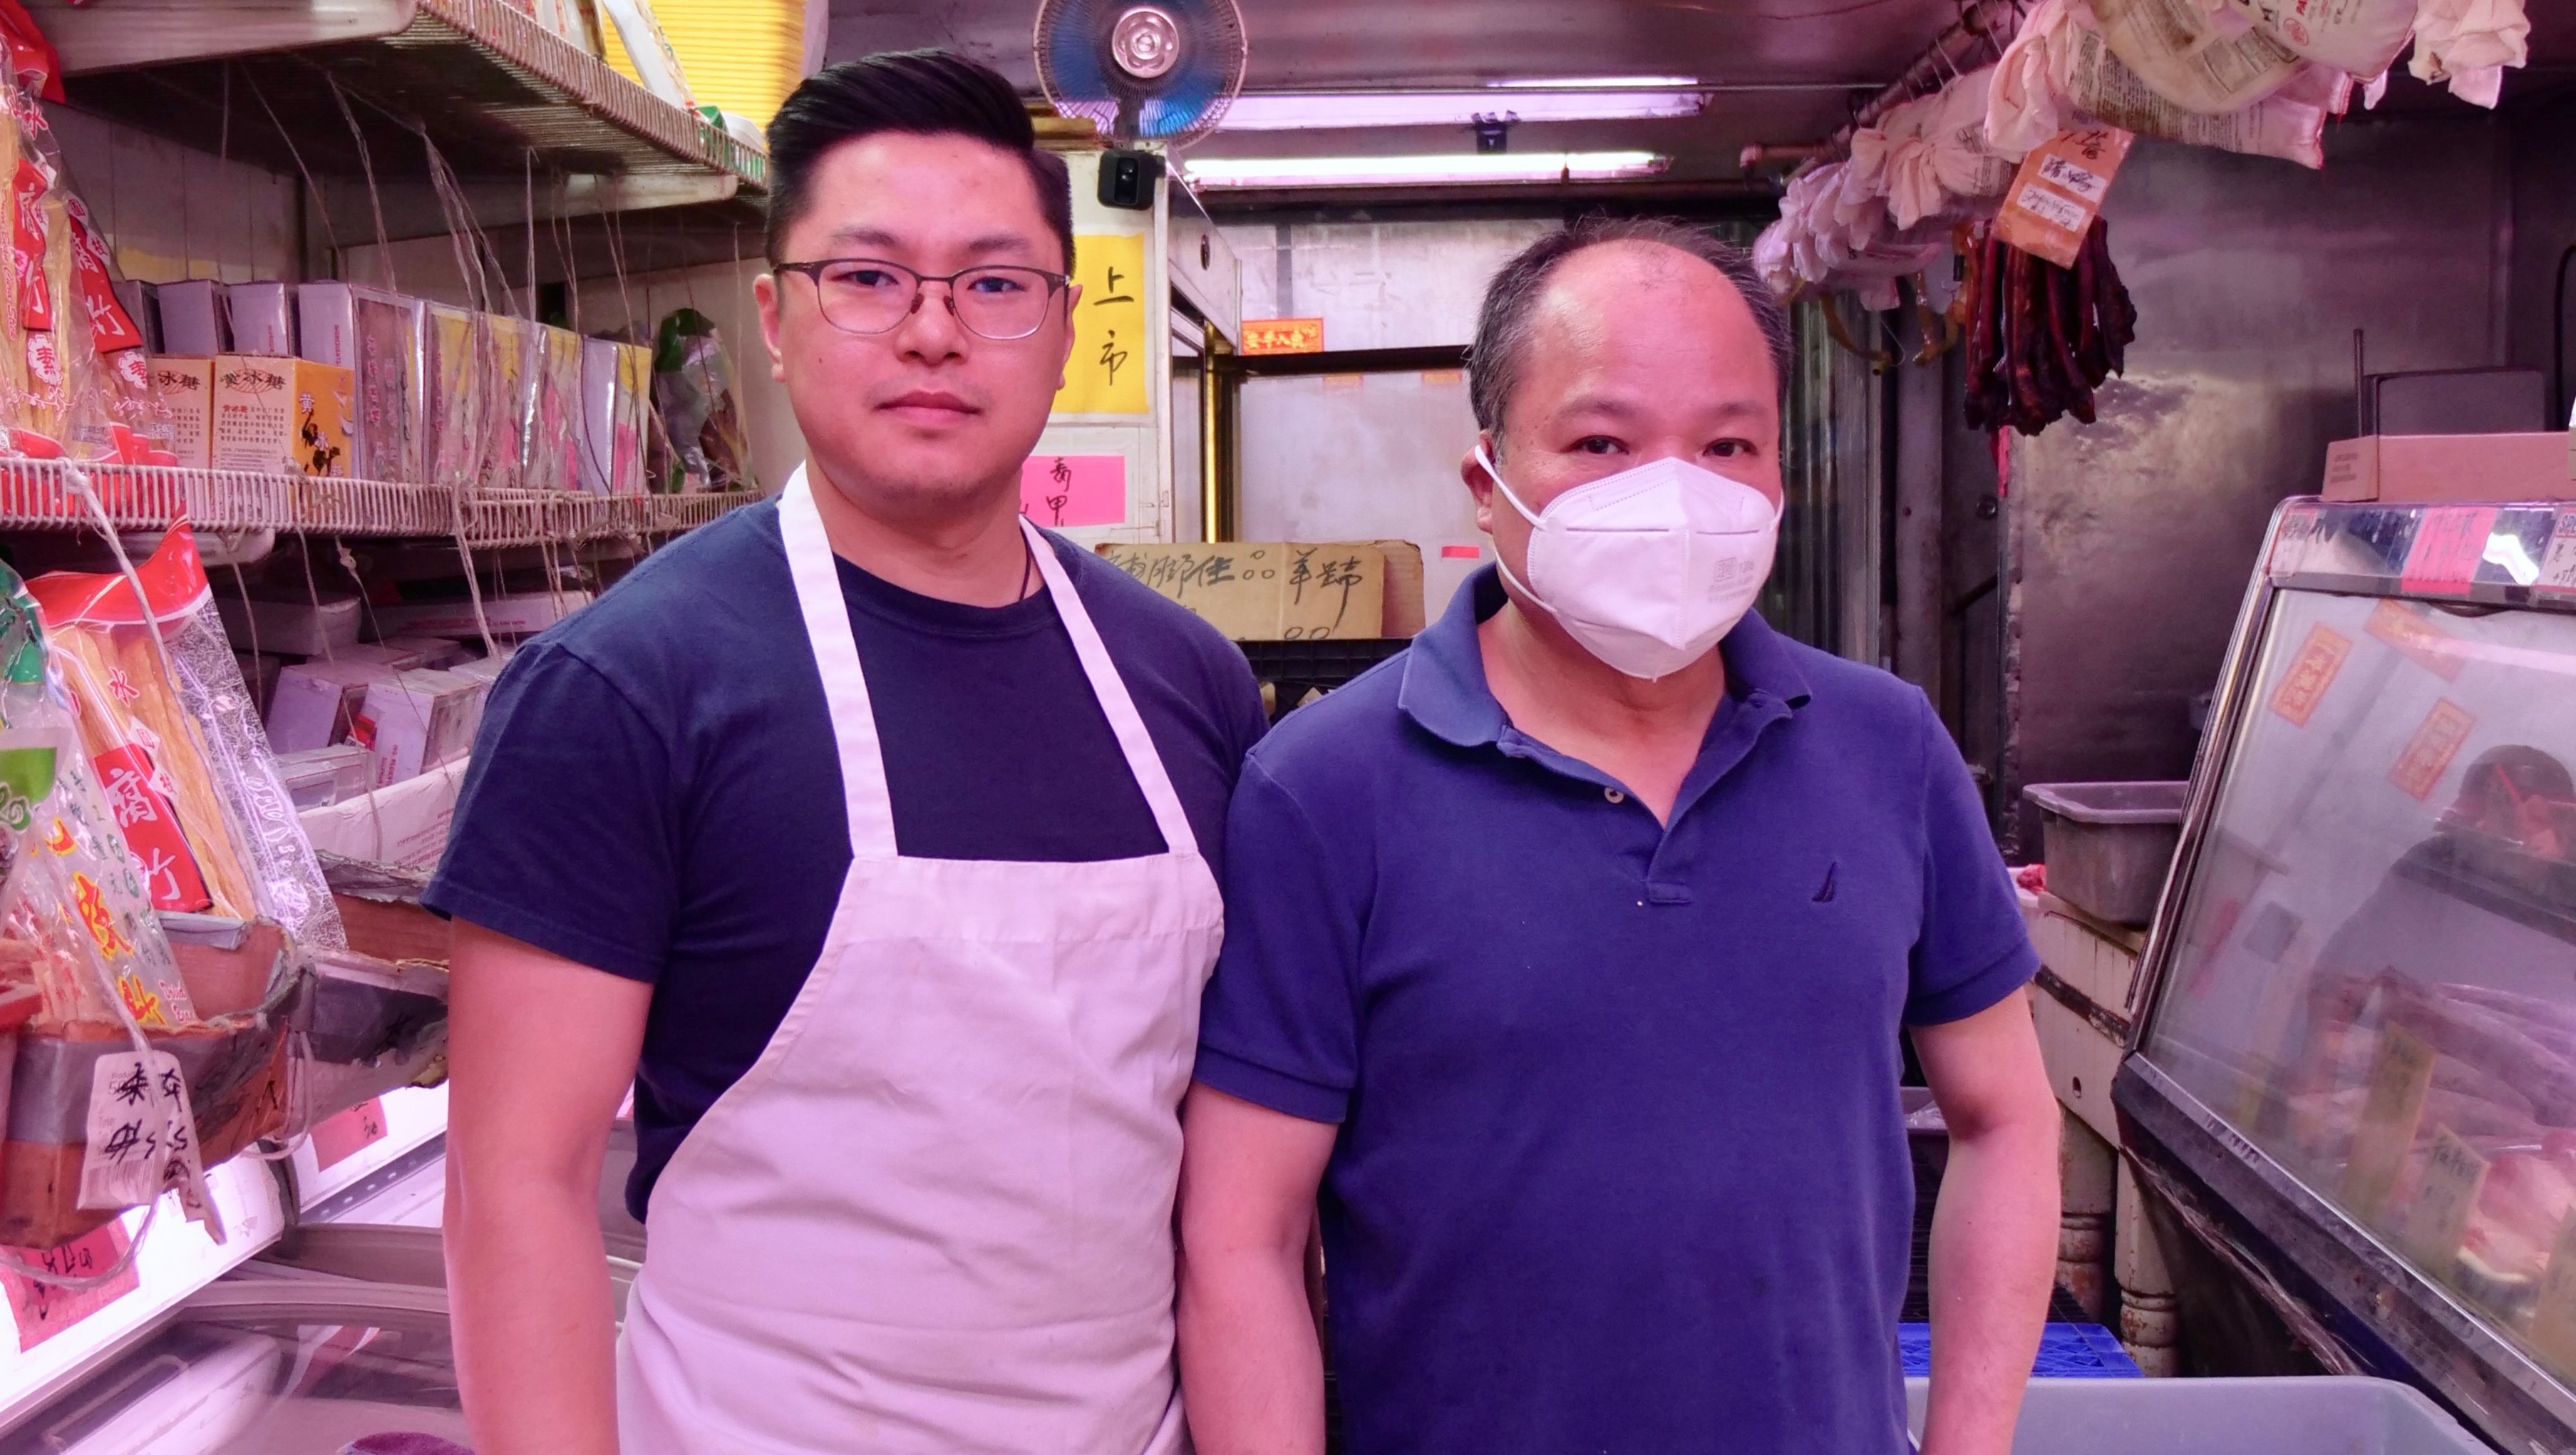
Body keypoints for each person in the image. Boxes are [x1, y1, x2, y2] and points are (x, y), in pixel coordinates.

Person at [432, 51, 1267, 1455]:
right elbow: (516, 1183)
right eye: (867, 278)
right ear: (774, 317)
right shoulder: (623, 689)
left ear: (1065, 327)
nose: (933, 333)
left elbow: (1228, 1176)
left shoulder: (1184, 680)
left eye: (993, 284)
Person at [1175, 217, 2060, 1455]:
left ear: (1776, 479)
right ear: (1486, 480)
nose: (1672, 495)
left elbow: (2005, 1116)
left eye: (1726, 444)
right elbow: (1243, 1237)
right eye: (1601, 443)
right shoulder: (1323, 789)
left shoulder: (1886, 748)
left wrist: (1968, 1440)